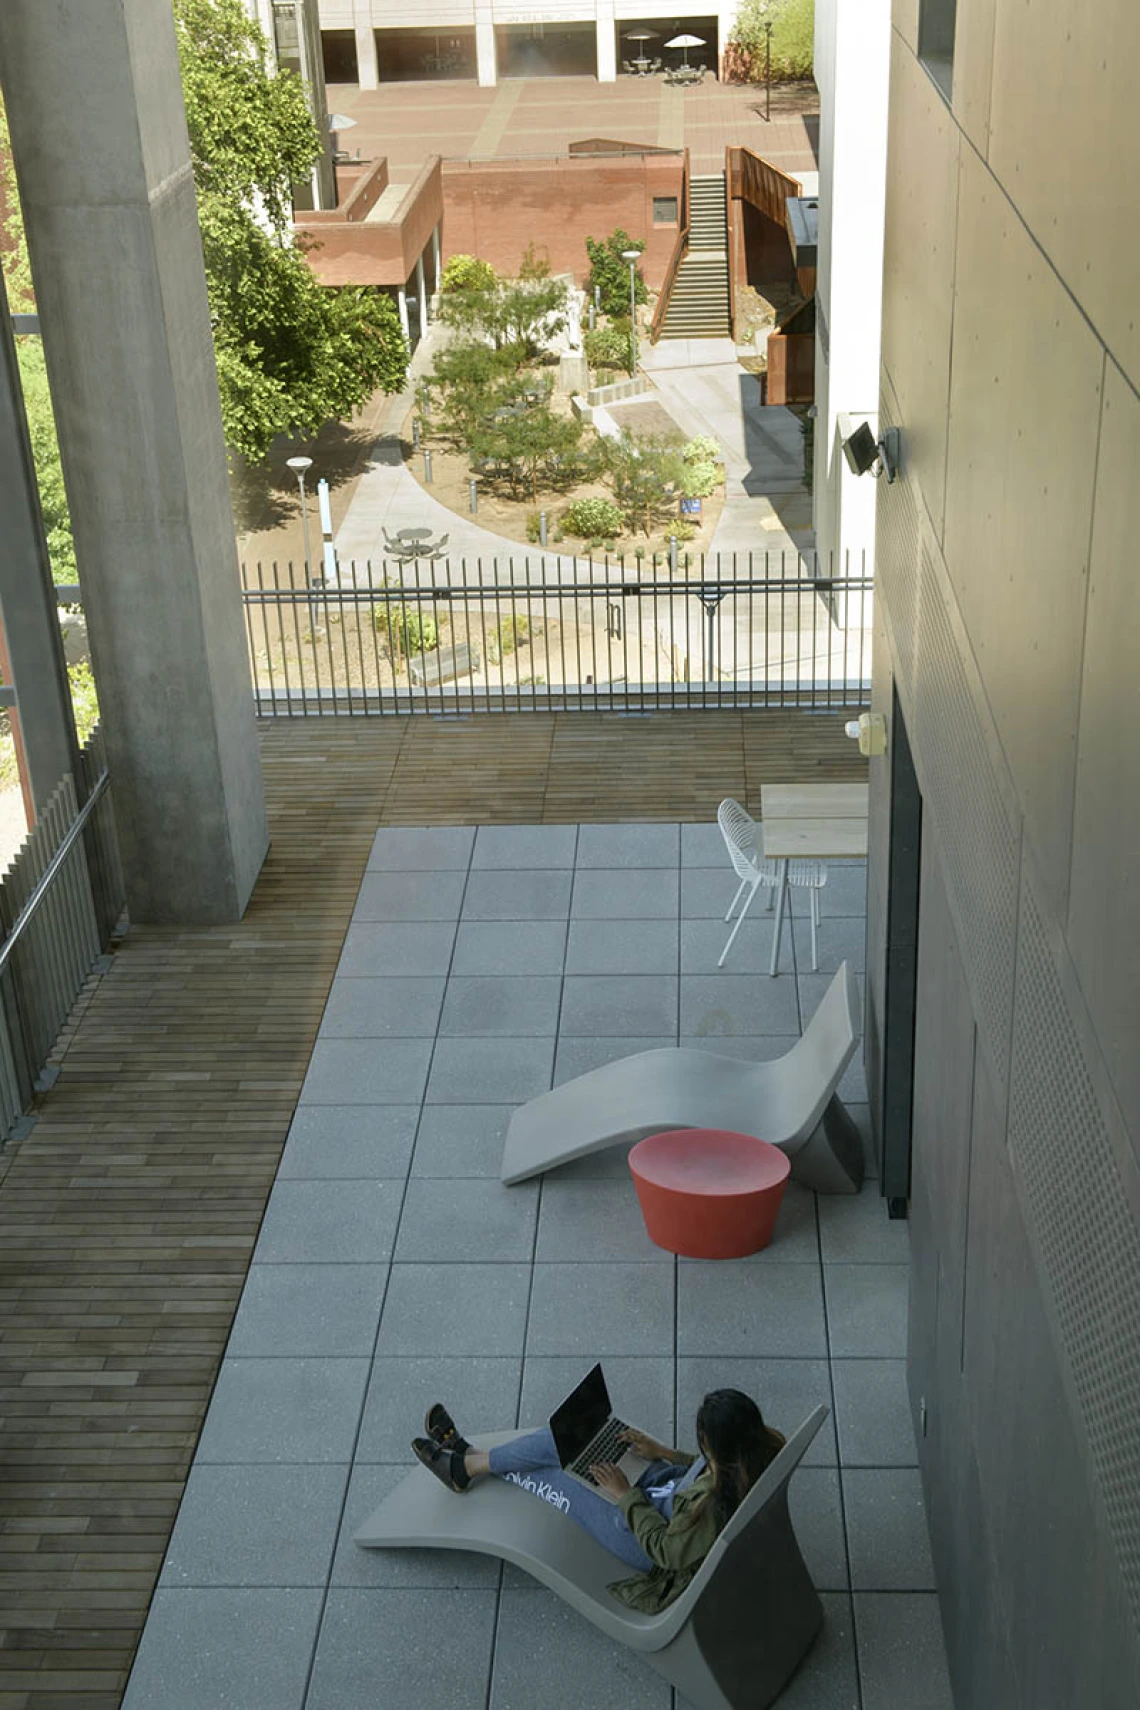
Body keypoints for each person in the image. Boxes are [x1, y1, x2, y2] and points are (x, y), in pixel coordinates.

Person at [411, 1389, 785, 1613]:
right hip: (665, 1490)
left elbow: (666, 1551)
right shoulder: (760, 1449)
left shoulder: (712, 1507)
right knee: (560, 1442)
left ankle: (465, 1464)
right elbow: (705, 1468)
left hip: (640, 1533)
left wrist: (625, 1495)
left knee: (561, 1468)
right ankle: (469, 1460)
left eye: (704, 1442)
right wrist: (664, 1453)